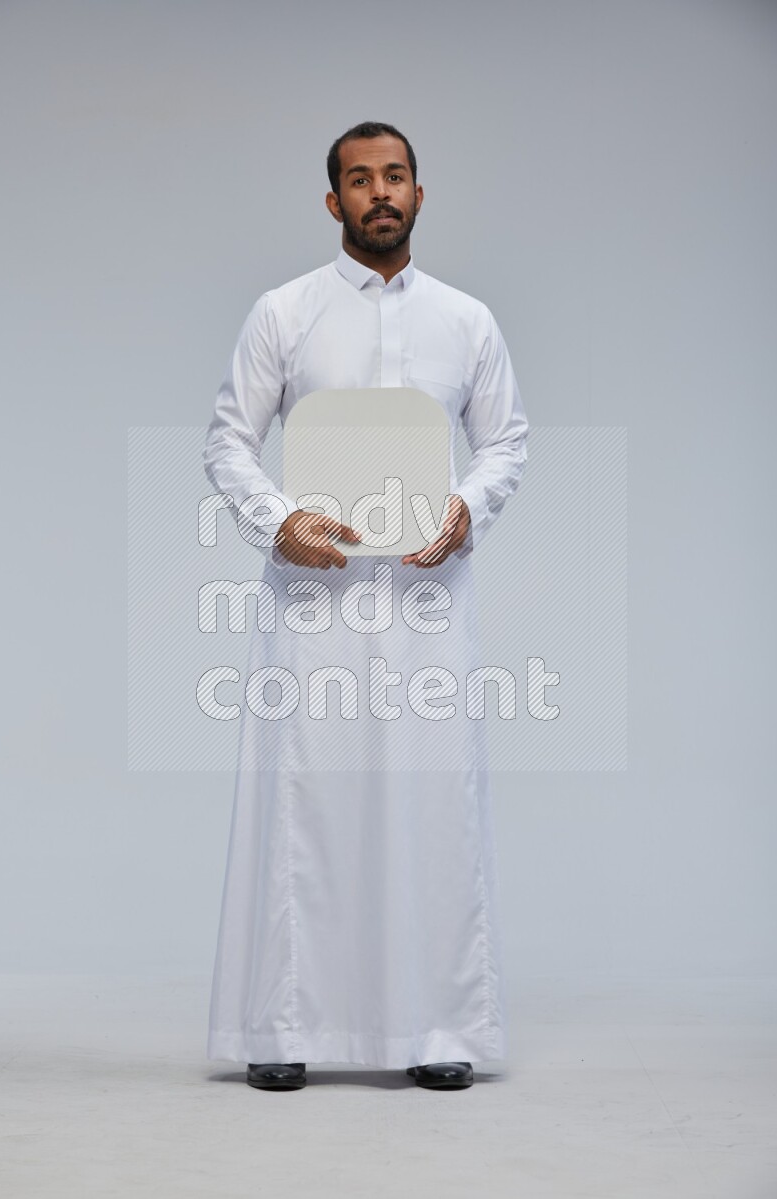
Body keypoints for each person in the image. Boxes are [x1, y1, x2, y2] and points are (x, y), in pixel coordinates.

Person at [203, 121, 529, 1091]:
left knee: (432, 801)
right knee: (306, 795)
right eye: (358, 179)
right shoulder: (284, 312)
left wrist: (466, 507)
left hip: (427, 598)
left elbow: (506, 439)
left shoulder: (466, 321)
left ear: (419, 195)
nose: (377, 192)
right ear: (332, 199)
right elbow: (228, 437)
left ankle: (435, 1030)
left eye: (393, 177)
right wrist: (275, 521)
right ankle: (282, 1023)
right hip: (314, 600)